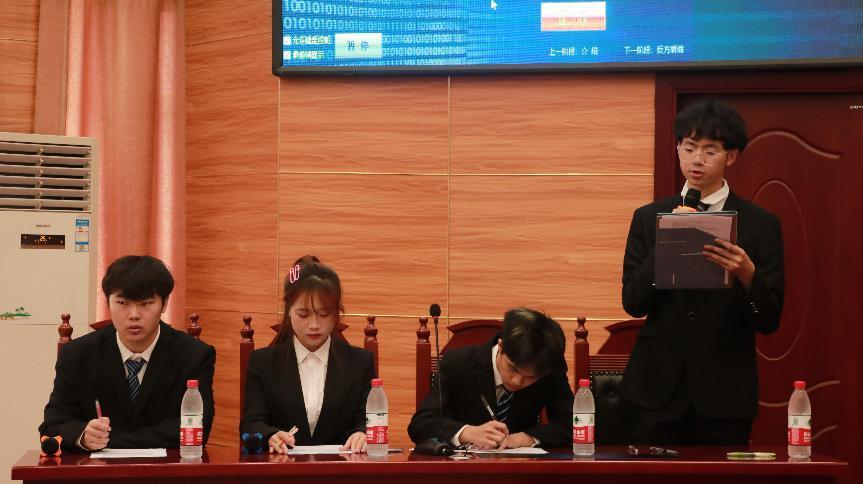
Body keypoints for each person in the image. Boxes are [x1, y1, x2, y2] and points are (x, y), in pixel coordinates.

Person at [620, 98, 785, 445]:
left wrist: (747, 274)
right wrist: (666, 243)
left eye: (710, 151)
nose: (697, 159)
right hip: (656, 389)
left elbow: (769, 320)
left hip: (725, 391)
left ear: (731, 156)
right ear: (677, 148)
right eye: (689, 147)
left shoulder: (761, 225)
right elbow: (633, 302)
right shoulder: (648, 217)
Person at [39, 255, 216, 452]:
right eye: (122, 303)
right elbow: (53, 424)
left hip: (168, 467)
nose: (134, 315)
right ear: (108, 302)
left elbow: (198, 426)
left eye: (146, 303)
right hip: (95, 468)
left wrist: (111, 441)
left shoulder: (194, 355)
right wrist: (83, 436)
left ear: (165, 303)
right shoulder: (78, 354)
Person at [240, 256, 375, 454]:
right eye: (303, 314)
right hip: (281, 467)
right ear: (288, 311)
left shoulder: (360, 363)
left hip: (341, 467)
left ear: (337, 314)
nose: (314, 325)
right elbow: (250, 426)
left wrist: (362, 434)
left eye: (324, 314)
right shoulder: (263, 363)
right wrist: (269, 436)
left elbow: (369, 420)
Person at [408, 307, 573, 449]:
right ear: (501, 346)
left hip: (523, 468)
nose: (517, 381)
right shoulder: (458, 363)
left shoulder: (549, 367)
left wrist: (526, 438)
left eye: (531, 377)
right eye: (513, 369)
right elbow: (421, 425)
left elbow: (575, 424)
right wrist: (467, 432)